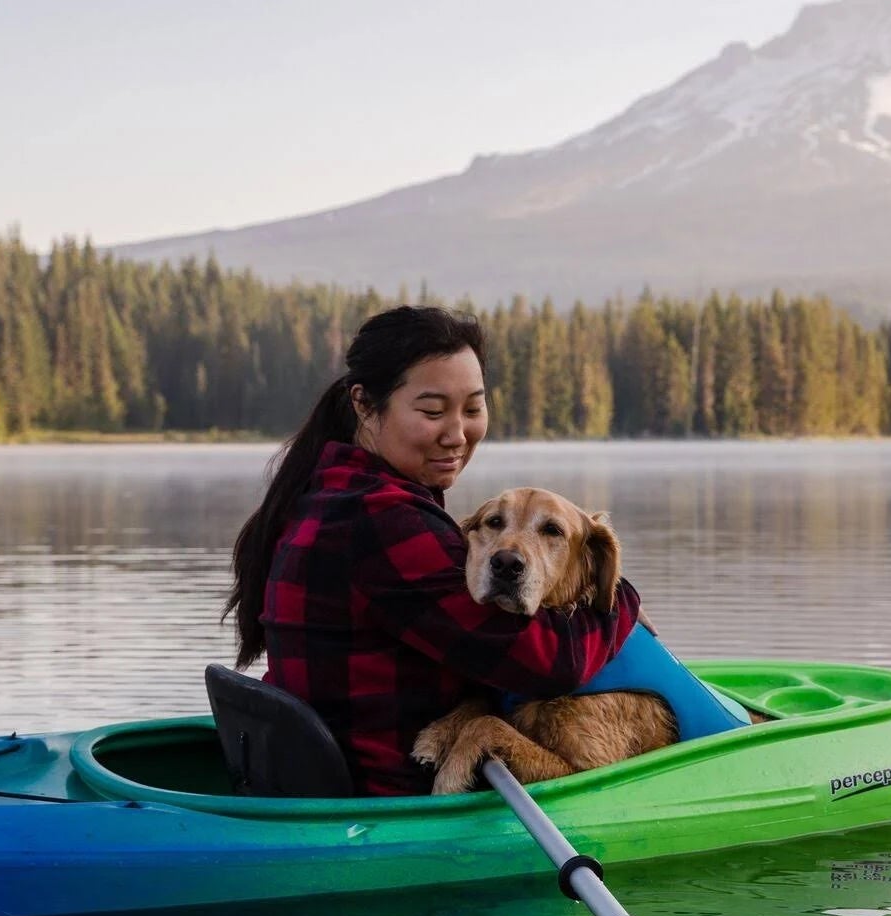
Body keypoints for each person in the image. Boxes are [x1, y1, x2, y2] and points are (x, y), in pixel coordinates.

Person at [225, 305, 642, 796]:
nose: (457, 434)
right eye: (432, 412)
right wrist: (620, 601)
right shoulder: (383, 520)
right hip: (386, 796)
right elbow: (550, 664)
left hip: (318, 773)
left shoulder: (324, 490)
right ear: (364, 405)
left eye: (473, 409)